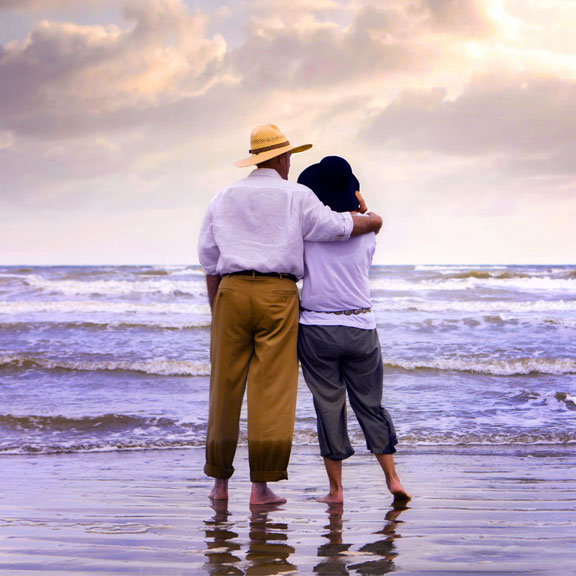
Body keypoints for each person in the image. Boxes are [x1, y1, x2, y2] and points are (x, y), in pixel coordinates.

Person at [197, 124, 383, 505]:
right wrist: (374, 221)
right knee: (271, 391)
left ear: (255, 159)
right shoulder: (297, 195)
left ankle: (219, 485)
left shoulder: (224, 196)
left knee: (224, 390)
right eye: (289, 158)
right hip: (278, 293)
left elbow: (209, 260)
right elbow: (337, 227)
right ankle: (260, 488)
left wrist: (217, 310)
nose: (289, 163)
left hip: (230, 292)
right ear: (282, 158)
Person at [297, 156, 410, 504]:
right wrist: (363, 206)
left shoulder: (307, 234)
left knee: (329, 405)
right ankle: (392, 479)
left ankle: (336, 491)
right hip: (361, 325)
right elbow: (369, 222)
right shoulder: (368, 233)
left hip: (317, 328)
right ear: (353, 194)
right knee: (370, 404)